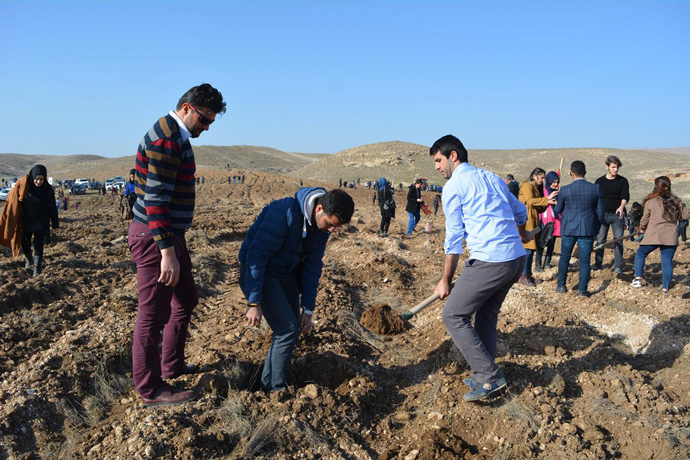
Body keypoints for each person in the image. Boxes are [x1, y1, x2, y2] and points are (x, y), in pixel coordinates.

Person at [128, 83, 226, 407]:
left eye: (211, 122)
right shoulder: (166, 139)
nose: (206, 127)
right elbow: (155, 200)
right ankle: (150, 389)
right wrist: (167, 252)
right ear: (187, 108)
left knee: (185, 300)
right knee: (152, 316)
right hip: (155, 238)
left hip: (169, 235)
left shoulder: (175, 135)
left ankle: (172, 366)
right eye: (204, 119)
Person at [430, 135, 530, 402]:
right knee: (486, 313)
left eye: (438, 160)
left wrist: (446, 279)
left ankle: (488, 376)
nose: (437, 167)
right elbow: (521, 213)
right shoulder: (493, 178)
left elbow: (454, 239)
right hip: (515, 260)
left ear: (453, 156)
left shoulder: (454, 186)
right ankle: (483, 374)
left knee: (453, 315)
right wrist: (524, 235)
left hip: (491, 260)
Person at [239, 188, 354, 392]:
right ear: (319, 208)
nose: (330, 230)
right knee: (286, 329)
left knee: (293, 328)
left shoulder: (321, 229)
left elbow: (312, 266)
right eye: (329, 224)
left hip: (285, 275)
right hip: (262, 274)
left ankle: (268, 383)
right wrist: (254, 301)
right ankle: (276, 389)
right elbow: (256, 257)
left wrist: (308, 309)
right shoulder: (283, 213)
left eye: (335, 227)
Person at [554, 161, 605, 297]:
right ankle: (582, 290)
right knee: (585, 261)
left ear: (571, 173)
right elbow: (601, 213)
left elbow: (557, 210)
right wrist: (596, 227)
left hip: (568, 228)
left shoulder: (565, 190)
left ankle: (561, 285)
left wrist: (556, 200)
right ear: (585, 172)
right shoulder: (595, 188)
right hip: (587, 229)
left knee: (564, 257)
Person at [630, 177, 689, 293]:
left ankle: (637, 279)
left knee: (641, 254)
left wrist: (642, 229)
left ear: (656, 186)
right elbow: (686, 215)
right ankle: (665, 288)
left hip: (654, 235)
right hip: (670, 236)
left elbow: (645, 219)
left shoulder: (650, 201)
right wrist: (676, 216)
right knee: (666, 262)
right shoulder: (676, 201)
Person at [0, 165, 59, 276]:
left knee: (38, 244)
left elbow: (52, 207)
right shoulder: (24, 187)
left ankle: (37, 268)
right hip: (25, 222)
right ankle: (28, 258)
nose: (38, 182)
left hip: (40, 222)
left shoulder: (47, 189)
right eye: (37, 179)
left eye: (41, 179)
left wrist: (55, 223)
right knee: (25, 243)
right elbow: (13, 200)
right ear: (32, 177)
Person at [518, 168, 557, 286]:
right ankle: (523, 275)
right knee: (528, 249)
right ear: (535, 176)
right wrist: (546, 199)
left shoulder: (535, 188)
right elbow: (530, 201)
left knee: (531, 249)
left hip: (533, 220)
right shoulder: (527, 186)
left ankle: (528, 274)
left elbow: (538, 206)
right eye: (541, 177)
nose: (543, 180)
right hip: (526, 221)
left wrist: (546, 202)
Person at [594, 155, 630, 274]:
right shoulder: (599, 182)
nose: (616, 169)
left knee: (618, 240)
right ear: (607, 167)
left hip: (617, 215)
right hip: (603, 215)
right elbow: (595, 198)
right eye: (613, 167)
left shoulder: (623, 181)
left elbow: (625, 196)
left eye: (617, 167)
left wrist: (621, 207)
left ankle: (618, 266)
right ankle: (598, 265)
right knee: (600, 240)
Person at [536, 171, 562, 271]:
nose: (555, 184)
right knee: (542, 242)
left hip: (555, 221)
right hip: (545, 221)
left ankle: (547, 262)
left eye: (557, 182)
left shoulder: (557, 193)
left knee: (552, 243)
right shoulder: (542, 192)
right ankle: (538, 265)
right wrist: (548, 201)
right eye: (553, 182)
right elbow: (539, 203)